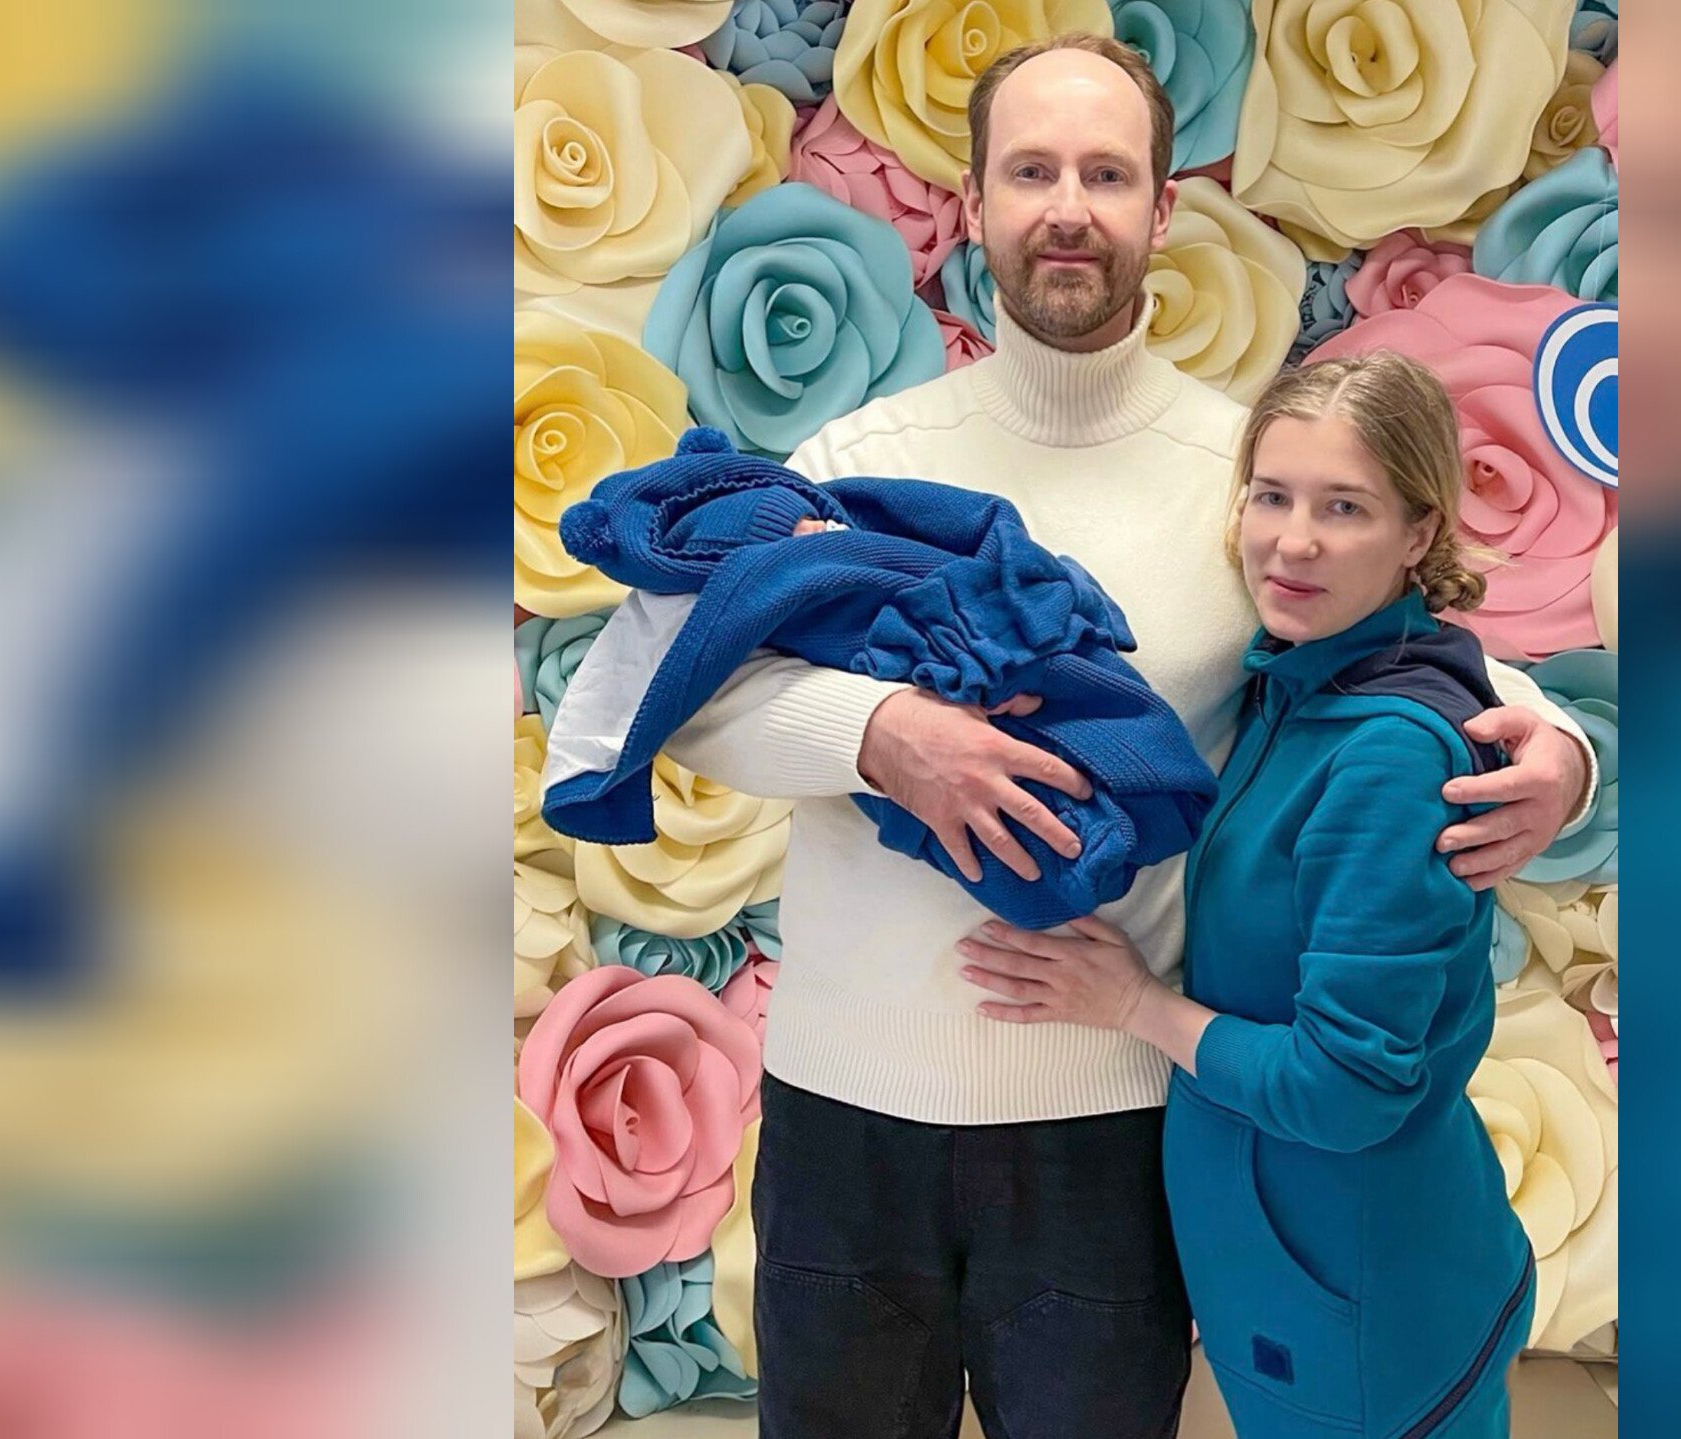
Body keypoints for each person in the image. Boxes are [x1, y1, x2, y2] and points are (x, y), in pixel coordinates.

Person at [645, 35, 1596, 1439]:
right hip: (845, 1111)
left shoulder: (1246, 479)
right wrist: (882, 733)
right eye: (1031, 171)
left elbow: (1415, 650)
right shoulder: (858, 460)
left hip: (1111, 1120)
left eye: (1106, 173)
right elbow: (697, 689)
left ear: (1163, 205)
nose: (1068, 207)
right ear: (974, 200)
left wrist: (1561, 748)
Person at [956, 352, 1538, 1438]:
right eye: (1272, 495)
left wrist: (1135, 1004)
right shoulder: (1300, 683)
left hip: (1364, 1308)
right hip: (1313, 1277)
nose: (1292, 540)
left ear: (1419, 531)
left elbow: (1346, 1087)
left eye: (1344, 507)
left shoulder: (1385, 753)